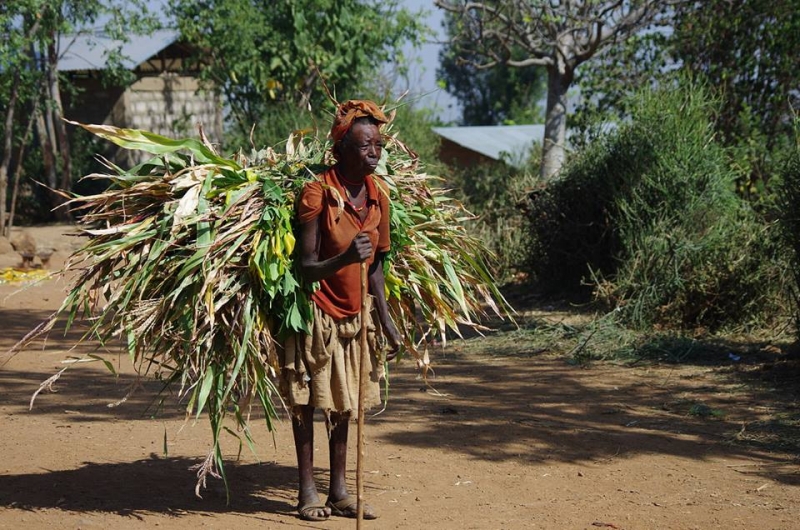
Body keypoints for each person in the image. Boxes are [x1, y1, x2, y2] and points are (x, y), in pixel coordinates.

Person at [278, 99, 403, 521]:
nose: (375, 152)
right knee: (309, 402)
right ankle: (307, 491)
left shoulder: (378, 197)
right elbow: (306, 267)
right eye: (366, 145)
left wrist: (386, 320)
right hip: (315, 311)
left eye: (378, 145)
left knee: (345, 402)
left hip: (356, 316)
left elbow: (378, 267)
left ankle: (340, 490)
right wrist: (346, 257)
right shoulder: (318, 193)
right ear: (342, 149)